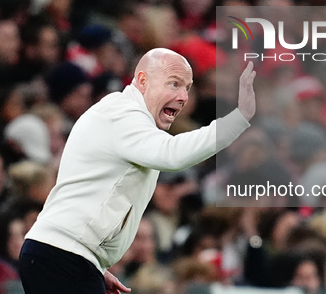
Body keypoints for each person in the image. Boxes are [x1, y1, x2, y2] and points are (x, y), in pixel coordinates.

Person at [19, 48, 256, 294]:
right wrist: (238, 118)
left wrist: (94, 266)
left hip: (66, 255)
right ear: (143, 81)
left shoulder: (124, 116)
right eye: (174, 84)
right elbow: (172, 154)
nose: (183, 96)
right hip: (62, 256)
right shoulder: (123, 114)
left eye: (187, 87)